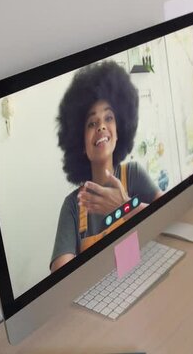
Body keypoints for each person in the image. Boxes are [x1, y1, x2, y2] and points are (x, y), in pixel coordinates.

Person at [50, 61, 161, 272]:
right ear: (80, 143)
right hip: (97, 297)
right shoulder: (73, 206)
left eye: (108, 118)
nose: (101, 126)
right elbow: (60, 275)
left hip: (144, 276)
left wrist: (125, 206)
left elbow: (169, 217)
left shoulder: (134, 175)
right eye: (92, 123)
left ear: (119, 131)